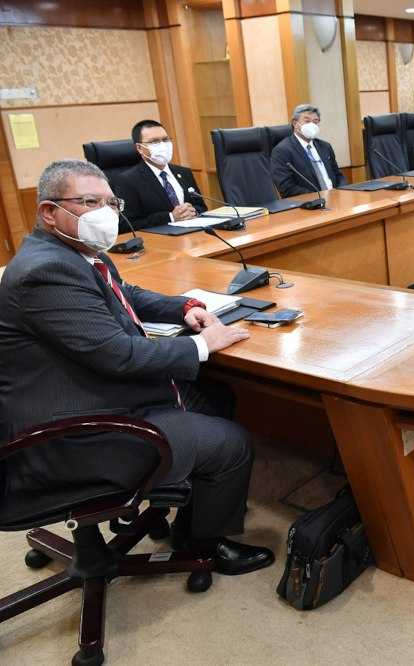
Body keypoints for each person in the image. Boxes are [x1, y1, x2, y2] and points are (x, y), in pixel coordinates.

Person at [0, 159, 275, 576]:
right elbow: (119, 355)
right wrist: (203, 344)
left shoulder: (75, 252)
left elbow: (124, 293)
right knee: (231, 443)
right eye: (90, 201)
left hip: (86, 394)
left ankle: (190, 516)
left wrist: (186, 307)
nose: (106, 212)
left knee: (216, 396)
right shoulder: (46, 272)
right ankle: (204, 545)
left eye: (111, 202)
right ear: (49, 211)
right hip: (68, 438)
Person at [114, 120, 207, 233]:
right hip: (160, 242)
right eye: (154, 142)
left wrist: (194, 212)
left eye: (165, 139)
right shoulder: (127, 181)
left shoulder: (183, 172)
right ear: (139, 148)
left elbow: (201, 207)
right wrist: (170, 217)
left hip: (194, 235)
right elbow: (127, 225)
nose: (163, 145)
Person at [270, 104, 348, 197]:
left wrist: (339, 193)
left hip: (335, 200)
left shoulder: (325, 146)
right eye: (307, 121)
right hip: (309, 204)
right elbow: (287, 188)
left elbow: (339, 176)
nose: (312, 125)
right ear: (295, 124)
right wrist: (319, 197)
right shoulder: (282, 151)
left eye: (315, 122)